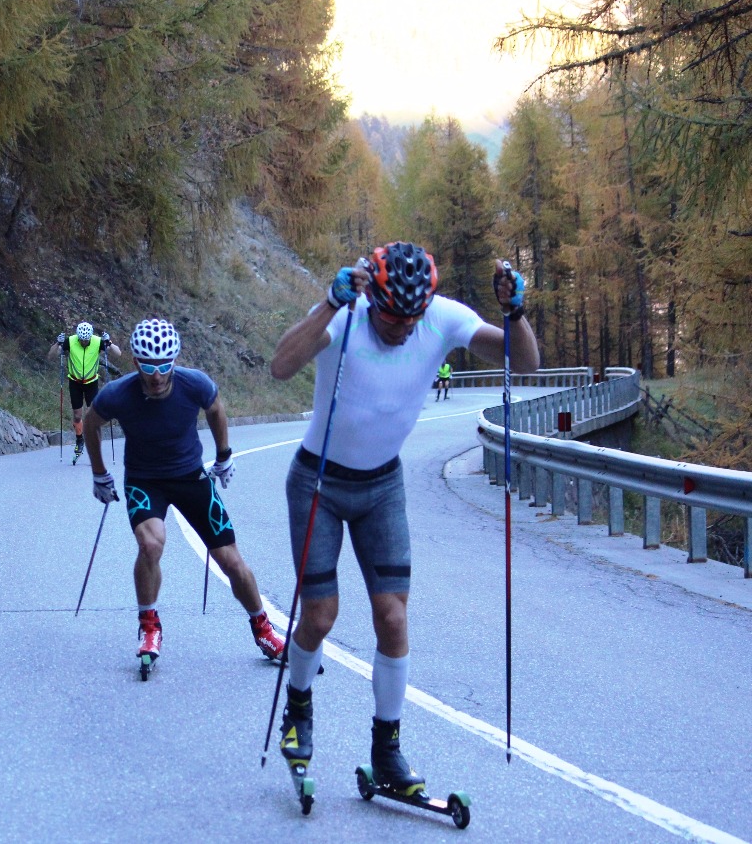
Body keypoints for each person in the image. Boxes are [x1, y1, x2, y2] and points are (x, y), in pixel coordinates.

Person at [268, 244, 538, 796]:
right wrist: (327, 302)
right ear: (372, 299)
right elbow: (280, 365)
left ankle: (386, 750)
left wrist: (515, 313)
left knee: (393, 619)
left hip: (382, 486)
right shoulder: (346, 319)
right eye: (390, 317)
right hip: (318, 480)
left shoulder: (441, 319)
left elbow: (524, 361)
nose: (399, 329)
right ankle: (298, 708)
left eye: (410, 320)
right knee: (320, 617)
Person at [82, 318, 286, 674]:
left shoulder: (195, 384)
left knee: (231, 561)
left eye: (165, 365)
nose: (157, 375)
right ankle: (149, 627)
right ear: (135, 363)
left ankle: (264, 630)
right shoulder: (118, 394)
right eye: (148, 365)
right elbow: (91, 425)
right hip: (145, 481)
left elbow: (217, 410)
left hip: (191, 477)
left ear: (175, 360)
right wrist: (99, 472)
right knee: (151, 545)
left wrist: (224, 455)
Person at [47, 321, 121, 464]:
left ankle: (94, 443)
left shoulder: (97, 342)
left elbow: (118, 353)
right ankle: (80, 440)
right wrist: (58, 343)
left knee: (93, 414)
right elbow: (51, 356)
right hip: (75, 381)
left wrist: (109, 343)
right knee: (77, 415)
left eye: (86, 340)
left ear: (90, 337)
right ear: (78, 337)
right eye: (82, 340)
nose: (84, 342)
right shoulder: (70, 341)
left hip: (91, 382)